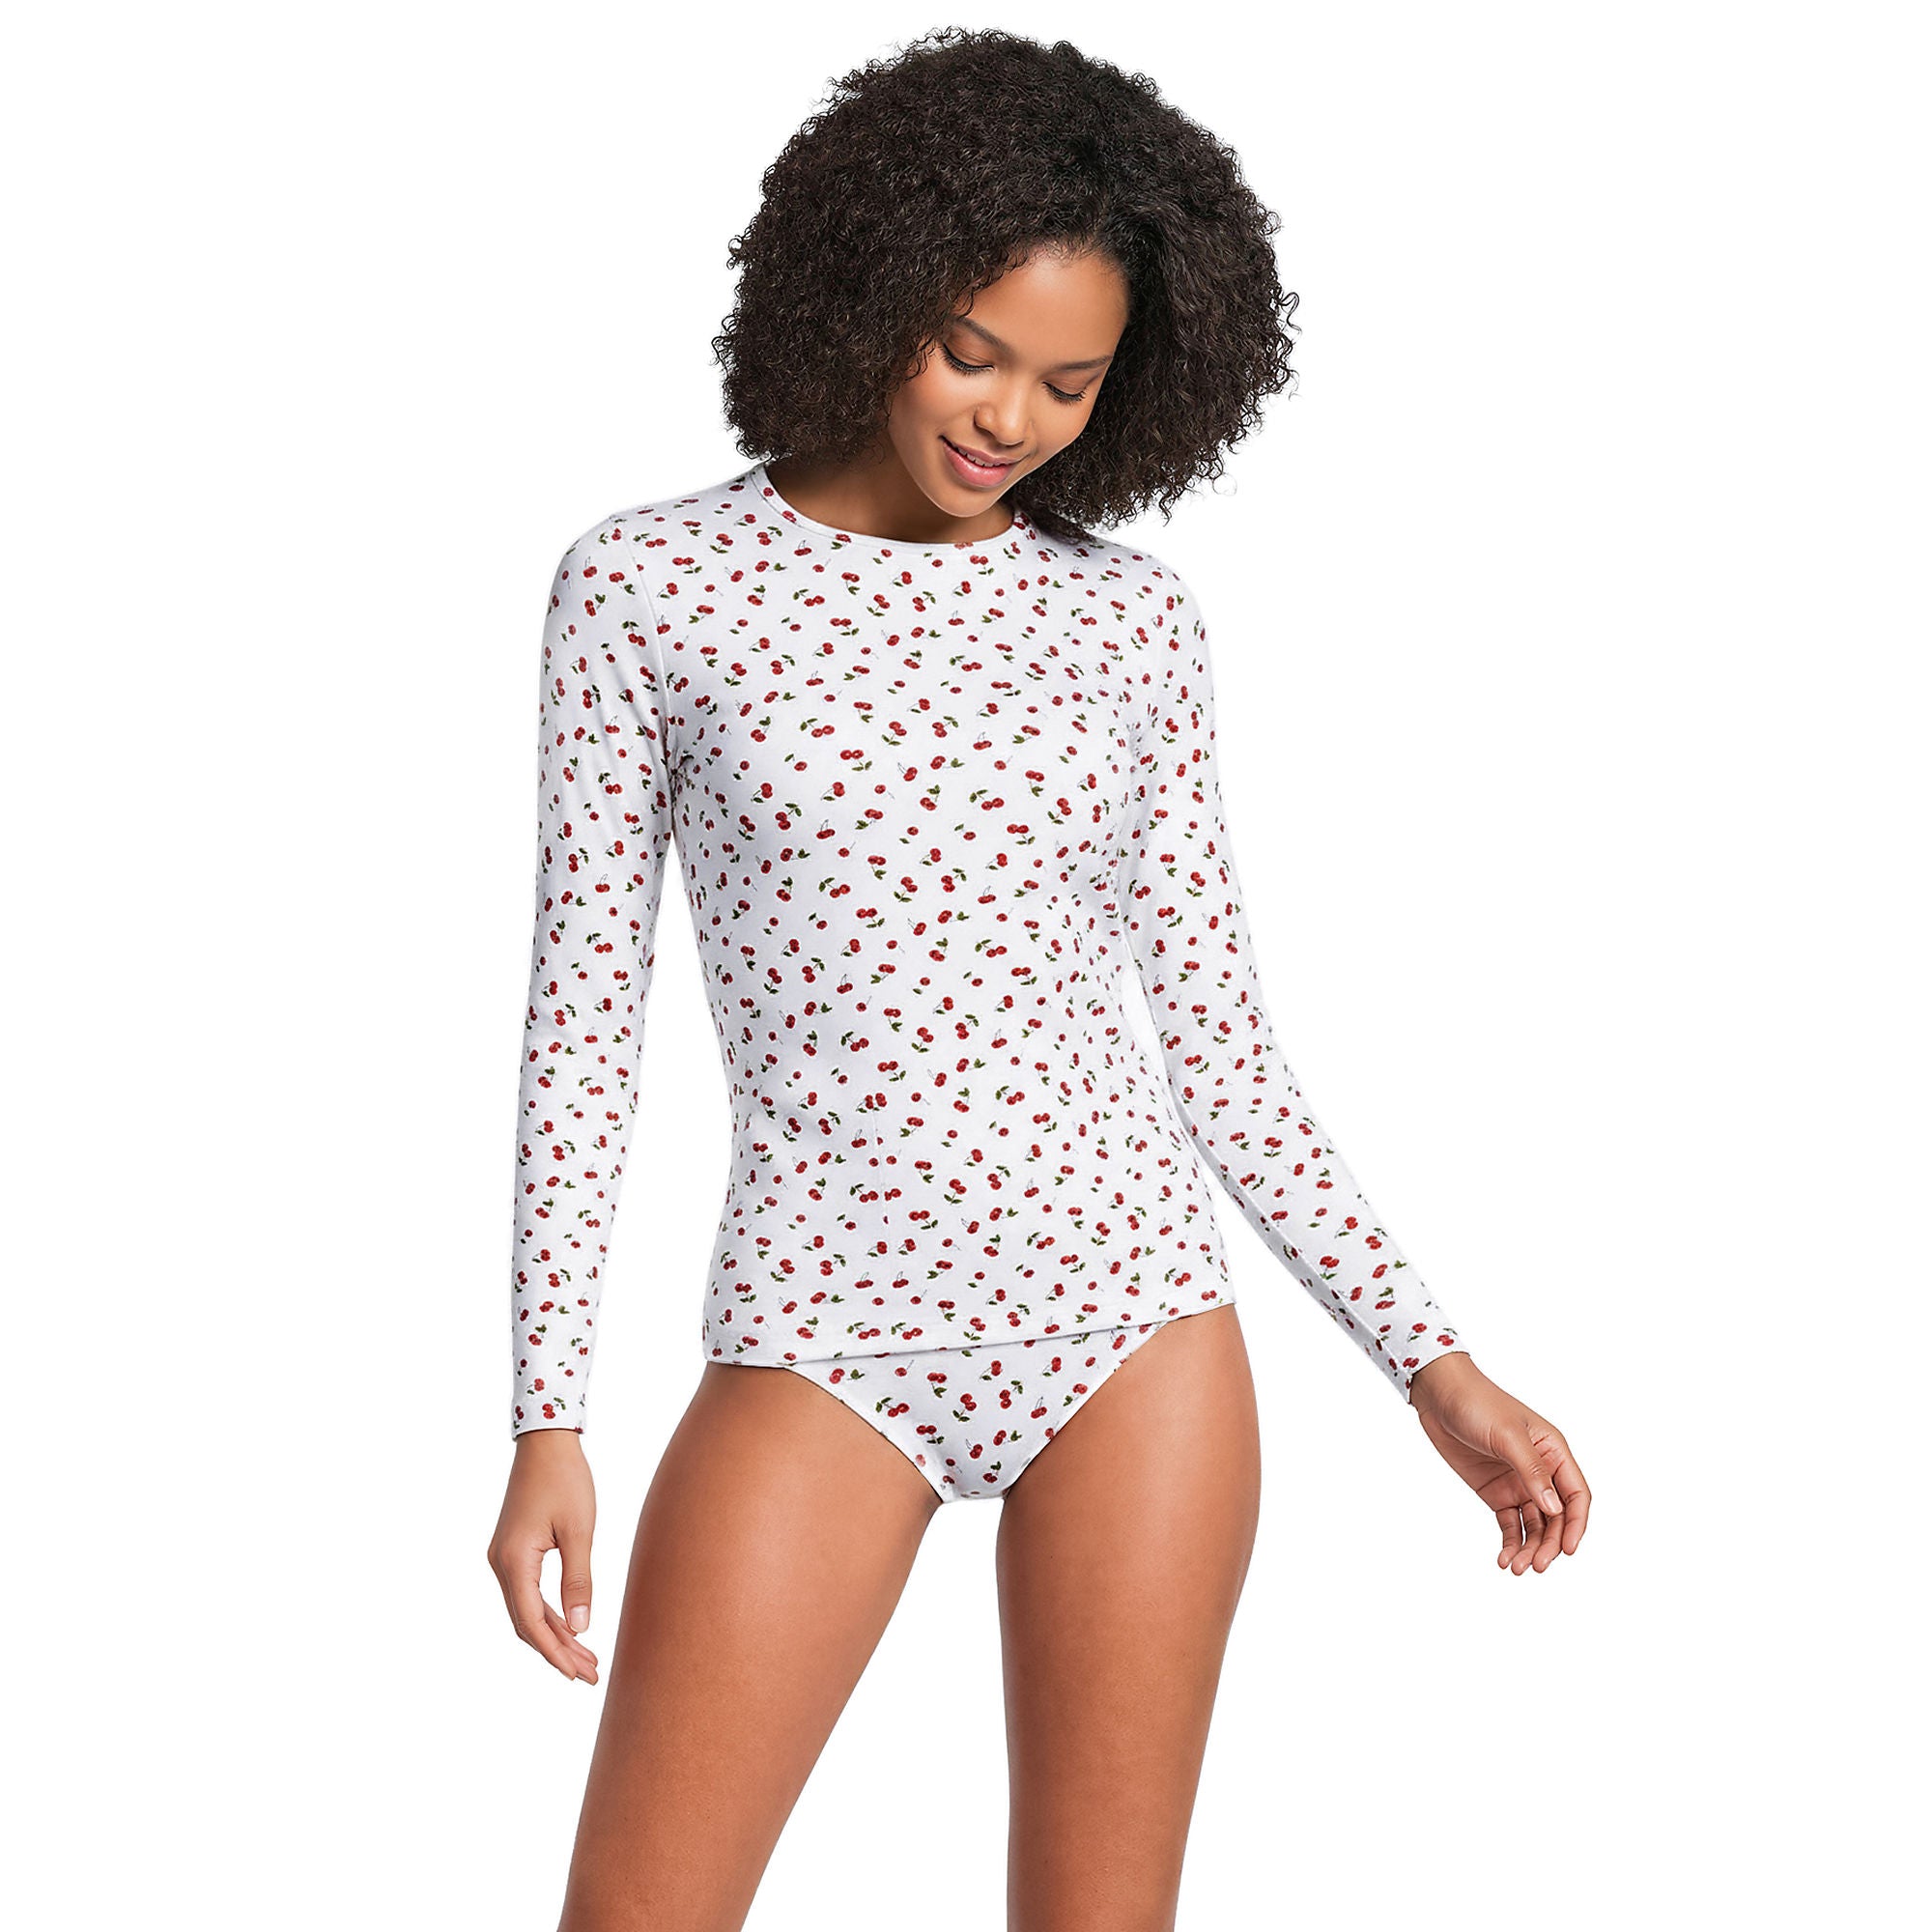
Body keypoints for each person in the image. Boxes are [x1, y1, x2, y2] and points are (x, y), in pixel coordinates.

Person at [487, 27, 1591, 1930]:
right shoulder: (648, 589)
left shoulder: (1131, 623)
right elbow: (583, 1030)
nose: (1011, 417)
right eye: (971, 351)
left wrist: (1437, 1365)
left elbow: (1224, 1052)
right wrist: (546, 1414)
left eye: (1071, 383)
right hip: (824, 1328)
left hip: (1134, 1328)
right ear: (866, 295)